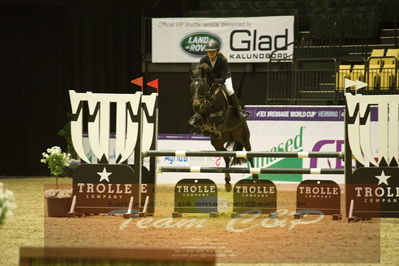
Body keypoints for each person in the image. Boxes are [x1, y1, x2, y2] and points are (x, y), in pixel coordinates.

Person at [189, 39, 248, 128]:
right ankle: (198, 114)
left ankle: (239, 110)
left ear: (217, 51)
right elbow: (202, 74)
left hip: (224, 77)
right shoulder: (204, 59)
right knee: (201, 91)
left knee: (229, 90)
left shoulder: (222, 60)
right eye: (209, 52)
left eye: (213, 51)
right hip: (210, 79)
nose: (210, 53)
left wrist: (214, 81)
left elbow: (223, 78)